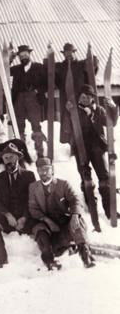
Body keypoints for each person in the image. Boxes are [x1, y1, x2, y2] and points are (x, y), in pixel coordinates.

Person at [28, 157, 95, 269]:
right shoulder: (33, 187)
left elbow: (76, 200)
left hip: (63, 223)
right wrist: (47, 221)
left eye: (46, 169)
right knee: (40, 231)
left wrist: (74, 216)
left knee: (77, 222)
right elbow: (33, 209)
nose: (43, 172)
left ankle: (86, 256)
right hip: (45, 224)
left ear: (52, 169)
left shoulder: (63, 184)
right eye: (40, 169)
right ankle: (50, 262)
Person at [64, 84, 118, 219]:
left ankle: (110, 210)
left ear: (92, 98)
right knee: (86, 178)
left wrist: (112, 108)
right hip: (81, 148)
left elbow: (111, 123)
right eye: (81, 97)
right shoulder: (74, 111)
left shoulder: (99, 110)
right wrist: (68, 112)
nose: (83, 99)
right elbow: (66, 128)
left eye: (87, 97)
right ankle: (91, 206)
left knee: (104, 178)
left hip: (97, 148)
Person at [0, 143, 37, 268]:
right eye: (6, 158)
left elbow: (33, 200)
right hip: (8, 219)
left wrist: (24, 217)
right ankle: (2, 260)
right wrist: (7, 215)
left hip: (26, 219)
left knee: (42, 226)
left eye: (12, 157)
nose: (9, 161)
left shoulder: (28, 176)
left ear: (18, 157)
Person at [55, 42, 98, 143]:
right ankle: (71, 147)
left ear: (75, 52)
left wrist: (91, 52)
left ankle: (85, 146)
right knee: (68, 124)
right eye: (66, 53)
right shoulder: (60, 67)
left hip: (81, 99)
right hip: (66, 99)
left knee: (83, 122)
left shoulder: (82, 64)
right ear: (63, 54)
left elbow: (92, 68)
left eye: (71, 52)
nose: (68, 55)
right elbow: (53, 77)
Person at [10, 45, 47, 157]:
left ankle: (40, 151)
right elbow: (3, 70)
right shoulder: (16, 69)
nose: (23, 57)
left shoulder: (39, 67)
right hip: (19, 99)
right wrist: (10, 57)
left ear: (30, 54)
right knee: (20, 125)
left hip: (33, 99)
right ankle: (22, 151)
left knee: (36, 125)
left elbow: (47, 82)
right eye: (21, 56)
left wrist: (37, 91)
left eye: (25, 55)